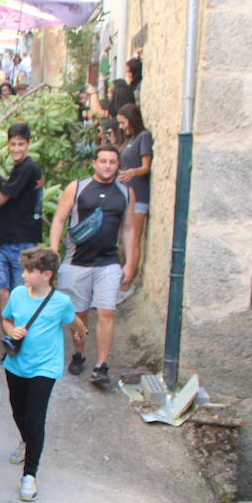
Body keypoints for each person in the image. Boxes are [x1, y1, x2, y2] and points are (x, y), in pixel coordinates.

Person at [0, 247, 84, 501]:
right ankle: (26, 441)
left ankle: (29, 475)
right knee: (18, 412)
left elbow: (75, 321)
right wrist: (12, 329)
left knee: (35, 418)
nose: (23, 275)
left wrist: (80, 334)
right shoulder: (17, 294)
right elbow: (5, 319)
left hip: (45, 368)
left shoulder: (61, 302)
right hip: (16, 364)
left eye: (29, 271)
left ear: (46, 274)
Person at [50, 145, 137, 388]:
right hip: (77, 262)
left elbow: (129, 229)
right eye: (103, 161)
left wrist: (130, 262)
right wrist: (53, 250)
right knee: (79, 315)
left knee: (107, 311)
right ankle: (79, 353)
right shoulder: (77, 188)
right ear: (95, 163)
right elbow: (59, 219)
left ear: (118, 165)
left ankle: (101, 366)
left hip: (108, 263)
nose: (108, 166)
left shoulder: (126, 193)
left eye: (112, 162)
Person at [0, 124, 45, 318]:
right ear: (7, 144)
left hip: (20, 241)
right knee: (2, 288)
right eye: (13, 144)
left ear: (28, 144)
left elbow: (1, 199)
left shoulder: (28, 168)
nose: (16, 149)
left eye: (20, 144)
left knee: (18, 291)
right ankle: (9, 333)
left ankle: (17, 333)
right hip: (7, 239)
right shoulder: (20, 169)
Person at [115, 102, 152, 297]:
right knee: (124, 239)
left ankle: (127, 284)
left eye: (123, 122)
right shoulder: (130, 139)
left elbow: (146, 166)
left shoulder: (143, 137)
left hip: (138, 194)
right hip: (126, 195)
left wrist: (132, 172)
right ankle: (123, 278)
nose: (121, 127)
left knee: (133, 239)